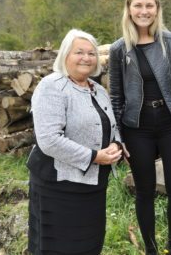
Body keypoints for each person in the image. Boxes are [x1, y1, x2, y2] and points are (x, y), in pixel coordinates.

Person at [109, 0, 171, 255]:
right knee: (144, 191)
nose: (143, 11)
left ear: (157, 8)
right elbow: (116, 99)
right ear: (129, 10)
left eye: (149, 5)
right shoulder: (119, 49)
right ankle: (151, 249)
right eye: (138, 5)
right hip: (137, 129)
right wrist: (119, 139)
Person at [27, 29, 126, 255]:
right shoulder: (52, 86)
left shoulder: (98, 90)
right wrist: (94, 156)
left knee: (89, 244)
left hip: (93, 187)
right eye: (79, 52)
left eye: (91, 53)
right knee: (58, 247)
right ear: (65, 56)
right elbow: (49, 140)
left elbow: (112, 125)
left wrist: (117, 145)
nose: (86, 58)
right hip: (58, 186)